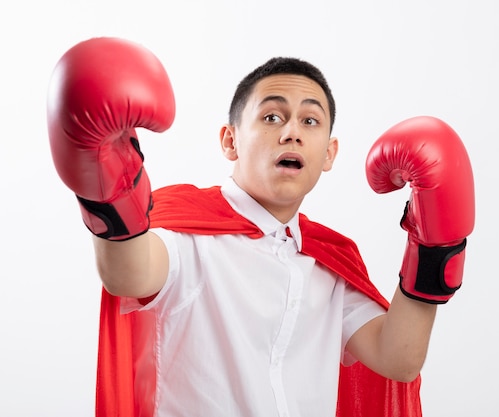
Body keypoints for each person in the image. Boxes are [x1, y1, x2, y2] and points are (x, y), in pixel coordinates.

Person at [47, 37, 475, 417]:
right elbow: (128, 274)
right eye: (272, 117)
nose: (292, 132)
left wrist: (436, 247)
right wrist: (107, 184)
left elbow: (397, 358)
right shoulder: (184, 235)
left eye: (310, 121)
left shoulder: (331, 261)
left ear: (328, 153)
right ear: (230, 140)